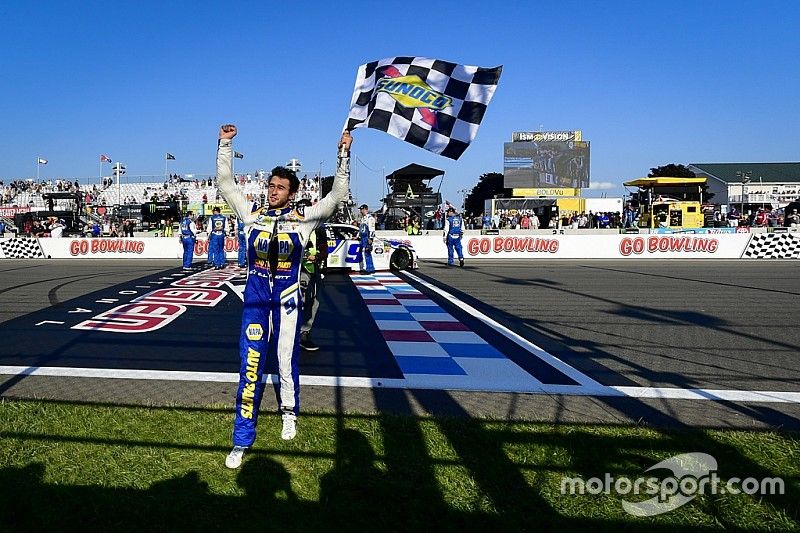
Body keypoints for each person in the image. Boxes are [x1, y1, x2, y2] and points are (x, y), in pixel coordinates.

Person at [216, 124, 352, 469]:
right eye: (271, 186)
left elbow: (337, 196)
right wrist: (225, 144)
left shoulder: (303, 219)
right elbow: (225, 184)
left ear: (291, 193)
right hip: (256, 301)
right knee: (250, 367)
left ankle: (289, 412)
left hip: (288, 299)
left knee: (285, 361)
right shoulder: (252, 215)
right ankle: (241, 440)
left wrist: (344, 155)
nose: (273, 191)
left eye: (280, 188)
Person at [299, 224, 328, 351]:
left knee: (314, 301)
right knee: (298, 300)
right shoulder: (295, 227)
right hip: (297, 270)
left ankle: (304, 333)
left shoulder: (320, 230)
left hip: (313, 269)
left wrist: (316, 257)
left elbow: (324, 251)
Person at [358, 204, 376, 274]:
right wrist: (358, 236)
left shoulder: (370, 218)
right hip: (362, 238)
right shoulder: (363, 218)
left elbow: (372, 229)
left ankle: (370, 269)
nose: (360, 211)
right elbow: (361, 229)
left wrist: (370, 238)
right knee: (363, 253)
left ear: (365, 209)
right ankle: (365, 267)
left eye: (361, 209)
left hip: (367, 237)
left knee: (367, 252)